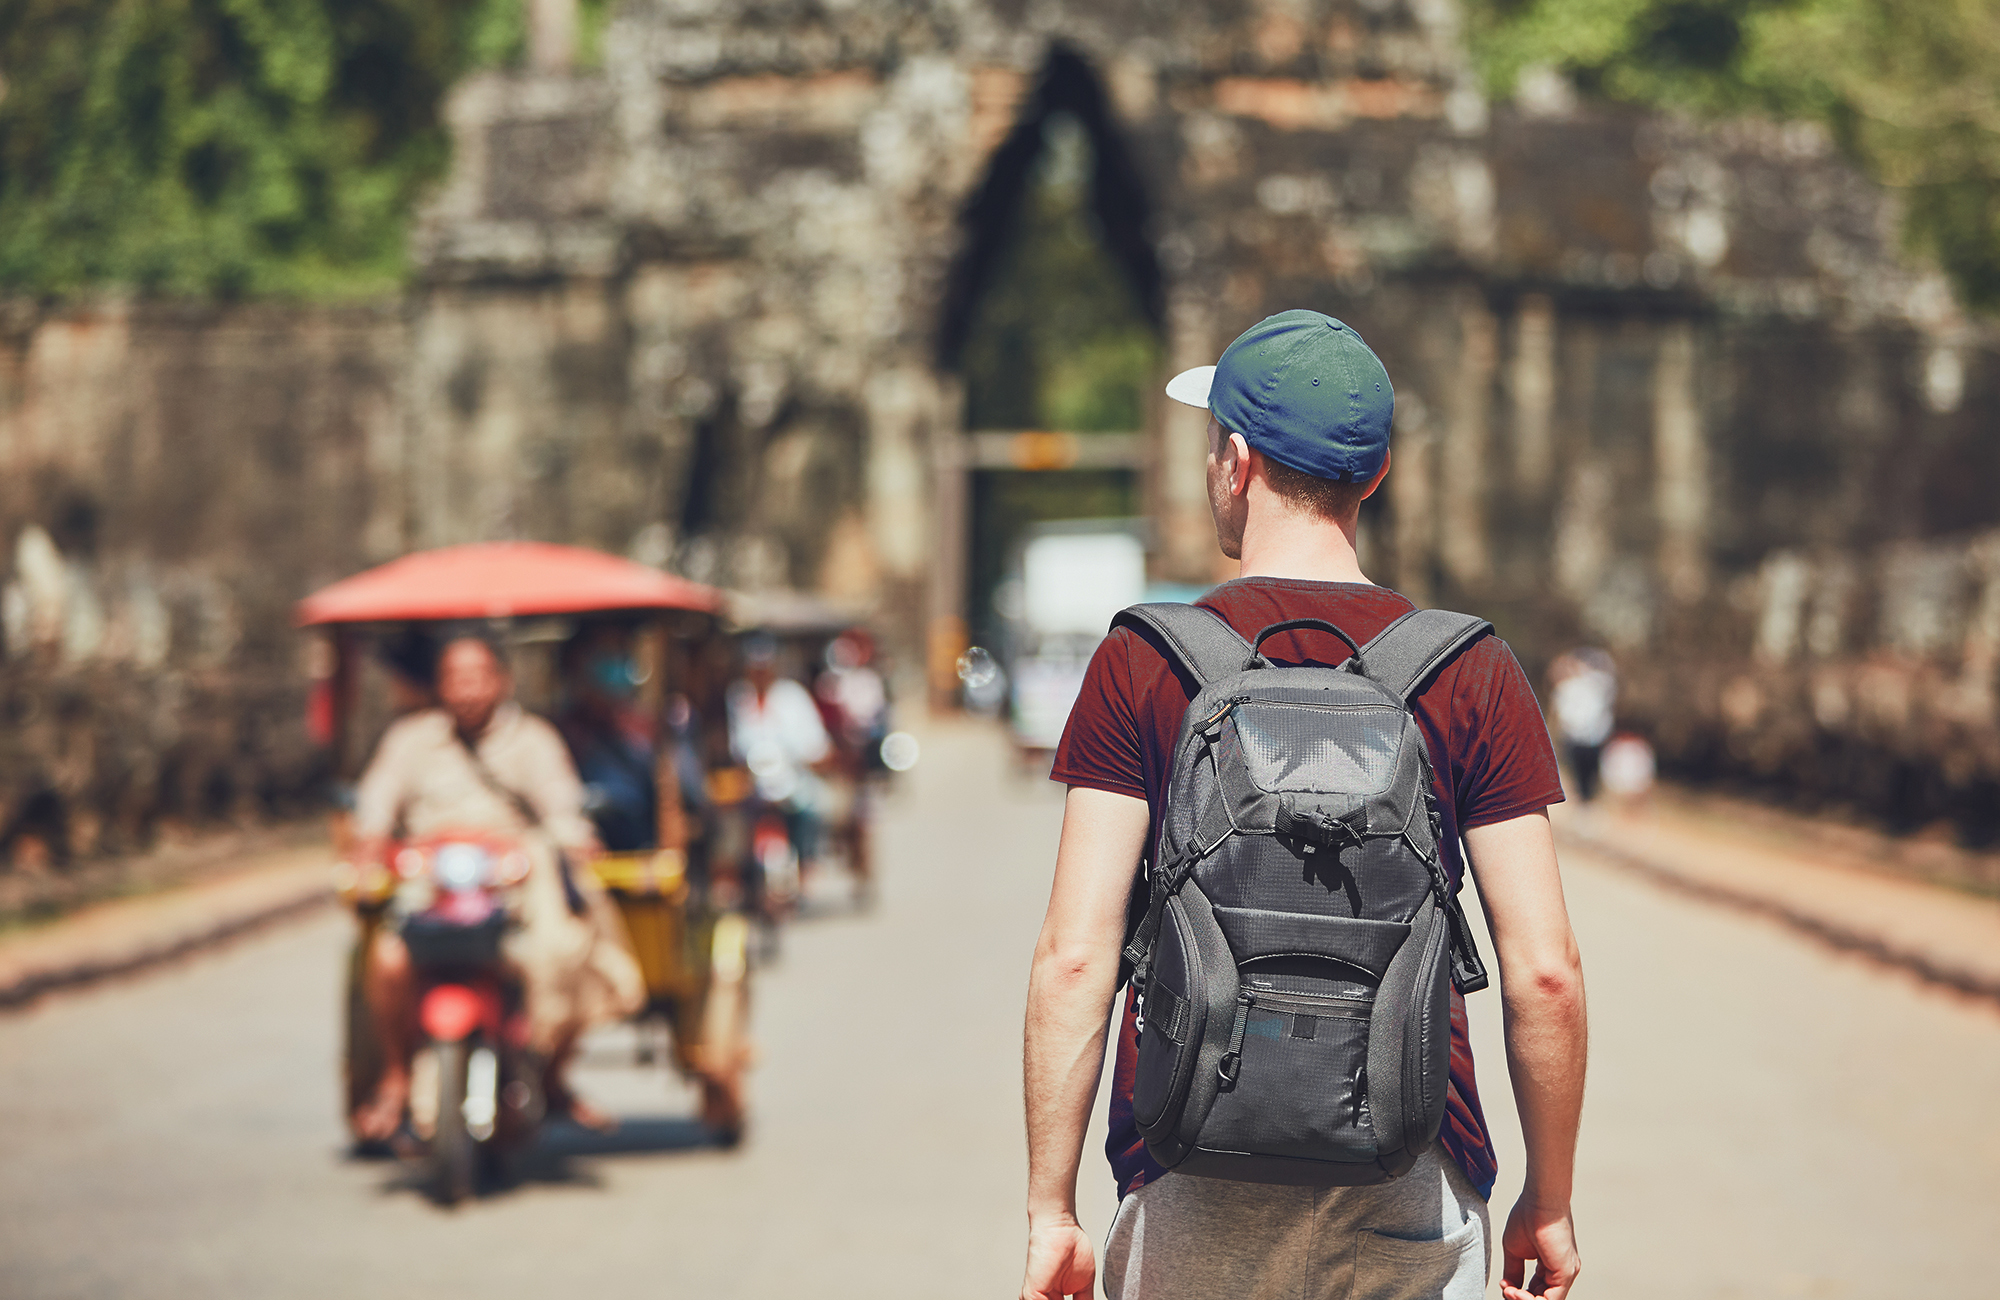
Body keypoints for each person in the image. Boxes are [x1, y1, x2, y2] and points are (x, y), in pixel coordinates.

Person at [1021, 310, 1587, 1300]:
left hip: (1188, 1159)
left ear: (1232, 462)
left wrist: (1050, 1207)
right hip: (1406, 1160)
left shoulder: (1143, 660)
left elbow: (1075, 954)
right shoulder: (1470, 668)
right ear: (1372, 478)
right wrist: (1549, 1194)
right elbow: (1542, 973)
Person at [347, 634, 646, 1141]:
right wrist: (369, 842)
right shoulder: (410, 740)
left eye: (476, 677)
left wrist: (576, 841)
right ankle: (396, 1077)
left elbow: (562, 809)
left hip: (515, 879)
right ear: (439, 686)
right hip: (433, 877)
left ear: (501, 682)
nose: (465, 690)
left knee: (565, 953)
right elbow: (377, 803)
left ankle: (550, 1075)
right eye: (454, 678)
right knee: (388, 959)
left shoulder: (534, 740)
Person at [726, 633, 834, 880]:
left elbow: (814, 743)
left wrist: (808, 758)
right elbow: (735, 746)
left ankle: (806, 865)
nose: (759, 672)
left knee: (810, 814)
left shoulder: (792, 697)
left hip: (793, 784)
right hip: (756, 789)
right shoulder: (738, 698)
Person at [1549, 648, 1617, 803]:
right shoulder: (1565, 688)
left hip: (1594, 739)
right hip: (1575, 739)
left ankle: (1587, 804)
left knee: (1591, 780)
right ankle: (1582, 805)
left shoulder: (1596, 683)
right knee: (1579, 780)